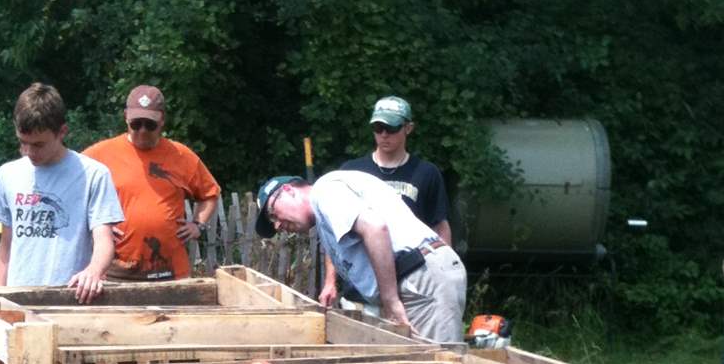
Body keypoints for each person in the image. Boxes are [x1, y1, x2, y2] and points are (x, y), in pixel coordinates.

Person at [255, 172, 466, 343]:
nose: (277, 225)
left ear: (288, 190)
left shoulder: (325, 191)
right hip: (415, 279)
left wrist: (390, 299)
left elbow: (375, 228)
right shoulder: (324, 215)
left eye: (273, 213)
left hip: (421, 277)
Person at [0, 82, 124, 301]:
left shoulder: (93, 175)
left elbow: (104, 239)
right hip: (18, 299)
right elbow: (6, 246)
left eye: (39, 144)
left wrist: (94, 270)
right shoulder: (7, 174)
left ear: (62, 132)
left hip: (70, 298)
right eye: (23, 142)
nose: (30, 152)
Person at [324, 95, 452, 309]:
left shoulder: (427, 173)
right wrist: (330, 281)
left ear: (408, 128)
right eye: (378, 127)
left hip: (411, 288)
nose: (384, 134)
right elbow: (335, 232)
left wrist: (445, 276)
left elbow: (439, 226)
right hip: (359, 293)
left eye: (391, 128)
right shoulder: (350, 171)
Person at [84, 85, 221, 280]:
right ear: (125, 117)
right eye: (136, 123)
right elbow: (71, 188)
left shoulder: (180, 155)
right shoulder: (100, 154)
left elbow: (210, 194)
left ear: (162, 120)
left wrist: (198, 225)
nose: (142, 131)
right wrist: (95, 227)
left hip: (170, 272)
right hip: (116, 271)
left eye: (149, 125)